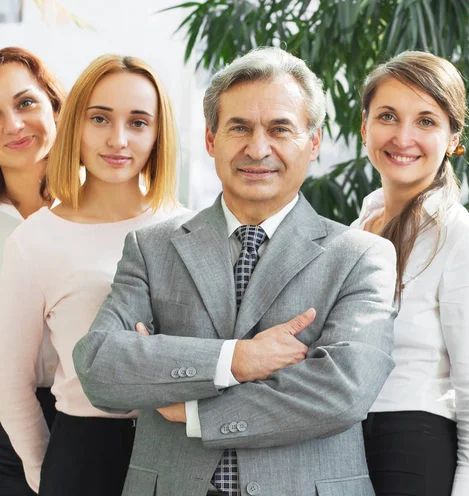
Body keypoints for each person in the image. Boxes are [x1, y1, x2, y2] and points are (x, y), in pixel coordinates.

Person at [72, 47, 397, 496]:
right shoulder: (152, 247)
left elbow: (341, 391)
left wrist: (191, 411)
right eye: (239, 128)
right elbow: (100, 365)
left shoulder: (361, 256)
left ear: (314, 142)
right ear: (210, 139)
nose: (257, 148)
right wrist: (235, 359)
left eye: (280, 129)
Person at [0, 54, 187, 496]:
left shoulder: (190, 229)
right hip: (83, 454)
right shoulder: (34, 240)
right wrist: (46, 474)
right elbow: (11, 386)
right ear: (75, 124)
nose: (118, 140)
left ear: (160, 134)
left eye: (139, 122)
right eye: (99, 118)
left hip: (181, 451)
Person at [356, 51, 469, 496]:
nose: (403, 137)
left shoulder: (467, 242)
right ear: (364, 126)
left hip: (412, 457)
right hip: (341, 450)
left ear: (453, 137)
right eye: (388, 116)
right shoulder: (355, 230)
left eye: (425, 121)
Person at [0, 47, 64, 496]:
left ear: (55, 104)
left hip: (97, 419)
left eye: (25, 103)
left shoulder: (109, 209)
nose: (13, 126)